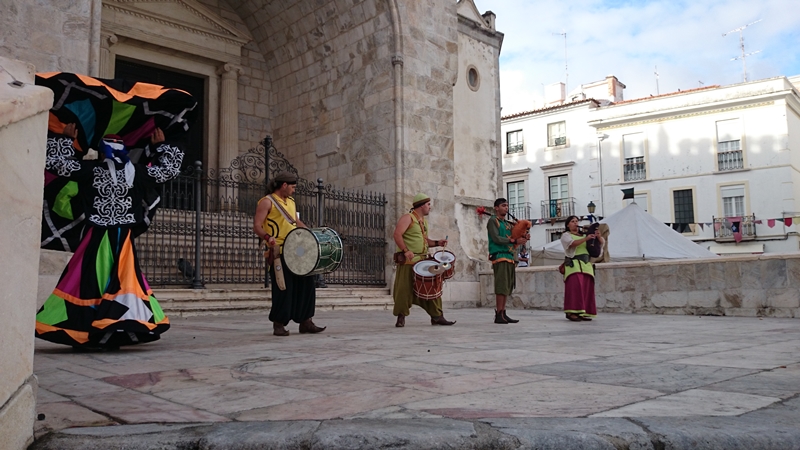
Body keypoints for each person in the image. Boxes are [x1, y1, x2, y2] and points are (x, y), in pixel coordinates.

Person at [35, 124, 181, 349]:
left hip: (97, 237)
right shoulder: (136, 172)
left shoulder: (91, 169)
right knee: (116, 280)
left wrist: (66, 140)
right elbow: (169, 169)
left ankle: (94, 328)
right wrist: (160, 146)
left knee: (90, 282)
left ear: (102, 152)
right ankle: (112, 328)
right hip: (120, 239)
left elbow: (58, 164)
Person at [253, 171, 325, 336]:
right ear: (284, 185)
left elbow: (295, 221)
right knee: (283, 287)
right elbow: (257, 226)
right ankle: (279, 324)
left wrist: (309, 233)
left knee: (307, 283)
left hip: (297, 249)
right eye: (292, 187)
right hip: (279, 249)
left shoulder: (291, 201)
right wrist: (267, 237)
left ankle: (306, 321)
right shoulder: (267, 202)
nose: (294, 190)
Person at [392, 193, 455, 327]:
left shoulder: (423, 222)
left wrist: (438, 242)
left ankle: (437, 316)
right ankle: (401, 317)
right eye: (428, 204)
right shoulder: (407, 218)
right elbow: (397, 234)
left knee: (432, 287)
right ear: (421, 205)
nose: (430, 207)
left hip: (422, 261)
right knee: (404, 290)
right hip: (408, 261)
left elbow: (425, 241)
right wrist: (405, 250)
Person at [487, 198, 527, 324]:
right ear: (496, 208)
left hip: (509, 256)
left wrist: (523, 236)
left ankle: (503, 312)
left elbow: (515, 237)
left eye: (507, 206)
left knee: (507, 286)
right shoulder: (493, 221)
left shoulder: (508, 224)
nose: (506, 208)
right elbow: (496, 238)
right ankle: (499, 314)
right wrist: (514, 241)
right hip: (500, 255)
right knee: (501, 286)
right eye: (503, 205)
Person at [561, 215, 605, 322]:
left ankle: (583, 311)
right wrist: (586, 238)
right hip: (574, 264)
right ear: (568, 224)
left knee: (586, 289)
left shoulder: (585, 235)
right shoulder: (566, 235)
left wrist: (598, 237)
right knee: (575, 289)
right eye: (572, 221)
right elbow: (572, 244)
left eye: (576, 221)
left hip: (586, 265)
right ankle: (571, 312)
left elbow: (598, 246)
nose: (575, 223)